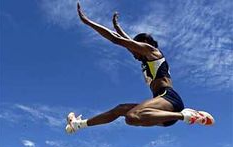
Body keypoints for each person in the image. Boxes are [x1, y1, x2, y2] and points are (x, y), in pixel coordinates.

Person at [66, 2, 215, 133]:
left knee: (132, 116)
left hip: (169, 99)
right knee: (120, 110)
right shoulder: (145, 58)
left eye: (136, 49)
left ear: (144, 44)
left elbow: (117, 40)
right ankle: (79, 125)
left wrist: (87, 22)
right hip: (160, 110)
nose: (133, 53)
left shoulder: (152, 52)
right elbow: (127, 41)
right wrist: (118, 27)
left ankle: (187, 115)